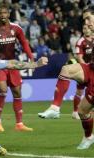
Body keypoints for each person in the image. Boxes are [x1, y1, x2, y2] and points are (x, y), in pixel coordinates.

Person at [38, 6, 94, 149]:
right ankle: (55, 108)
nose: (86, 23)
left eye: (88, 19)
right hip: (91, 68)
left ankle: (88, 137)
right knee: (66, 70)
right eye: (84, 20)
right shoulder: (86, 38)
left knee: (82, 111)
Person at [0, 5, 35, 132]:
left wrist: (31, 58)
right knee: (3, 90)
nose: (2, 15)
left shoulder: (16, 28)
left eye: (4, 12)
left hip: (12, 64)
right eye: (0, 13)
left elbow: (24, 43)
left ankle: (19, 124)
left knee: (17, 92)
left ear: (8, 14)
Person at [39, 24, 93, 120]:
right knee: (77, 89)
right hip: (88, 68)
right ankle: (60, 109)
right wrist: (86, 69)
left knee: (87, 106)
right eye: (84, 27)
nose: (86, 29)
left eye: (88, 26)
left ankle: (88, 134)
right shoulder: (81, 41)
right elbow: (79, 57)